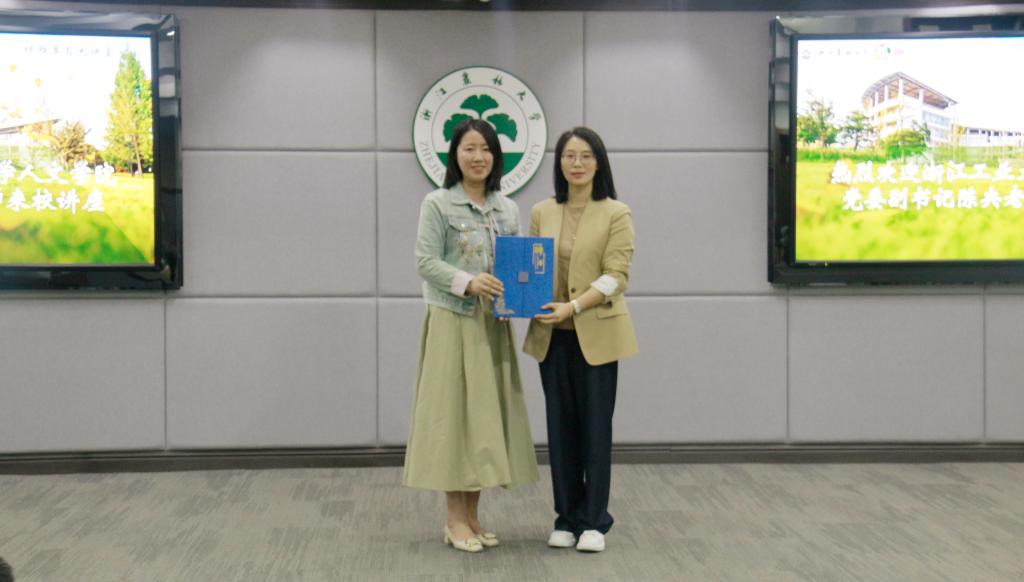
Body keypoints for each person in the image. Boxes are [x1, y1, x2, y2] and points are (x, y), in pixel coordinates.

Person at [403, 118, 539, 553]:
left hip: (492, 325)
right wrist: (468, 282)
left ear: (496, 156)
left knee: (483, 419)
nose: (478, 157)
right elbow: (425, 262)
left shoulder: (507, 208)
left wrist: (520, 297)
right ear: (455, 155)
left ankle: (474, 516)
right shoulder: (438, 203)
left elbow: (517, 265)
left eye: (485, 149)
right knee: (454, 418)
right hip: (452, 321)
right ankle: (454, 519)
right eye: (469, 149)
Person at [523, 127, 638, 553]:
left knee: (594, 429)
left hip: (597, 335)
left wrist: (572, 307)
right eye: (569, 156)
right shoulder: (542, 211)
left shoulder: (616, 213)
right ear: (559, 163)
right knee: (560, 431)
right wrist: (521, 298)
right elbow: (533, 268)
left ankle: (594, 521)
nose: (577, 163)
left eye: (586, 155)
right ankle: (566, 518)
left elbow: (615, 276)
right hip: (551, 336)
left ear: (599, 162)